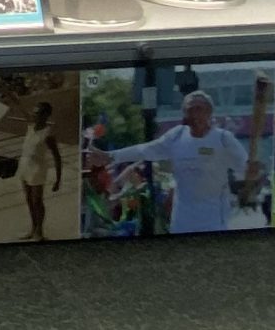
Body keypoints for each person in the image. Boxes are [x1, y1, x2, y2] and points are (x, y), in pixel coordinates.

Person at [84, 90, 258, 235]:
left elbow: (244, 168)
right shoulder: (176, 136)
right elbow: (145, 150)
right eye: (189, 110)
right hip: (181, 221)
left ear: (209, 112)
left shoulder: (223, 139)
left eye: (199, 109)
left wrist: (251, 171)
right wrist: (111, 156)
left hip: (213, 221)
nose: (194, 114)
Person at [16, 101, 64, 241]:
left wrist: (58, 179)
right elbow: (19, 105)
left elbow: (57, 157)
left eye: (38, 113)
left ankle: (39, 231)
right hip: (25, 166)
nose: (35, 115)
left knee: (37, 200)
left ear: (45, 115)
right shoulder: (31, 126)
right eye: (34, 112)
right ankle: (33, 228)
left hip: (37, 169)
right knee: (29, 199)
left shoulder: (47, 134)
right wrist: (7, 92)